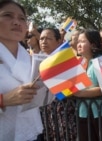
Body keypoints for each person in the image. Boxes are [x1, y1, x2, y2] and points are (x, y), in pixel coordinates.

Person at [0, 1, 43, 140]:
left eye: (22, 18)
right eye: (8, 15)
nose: (17, 22)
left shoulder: (29, 58)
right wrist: (3, 100)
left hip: (32, 132)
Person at [74, 29, 102, 141]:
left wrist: (80, 93)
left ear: (93, 44)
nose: (79, 44)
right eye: (78, 41)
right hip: (83, 112)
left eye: (83, 41)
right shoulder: (79, 63)